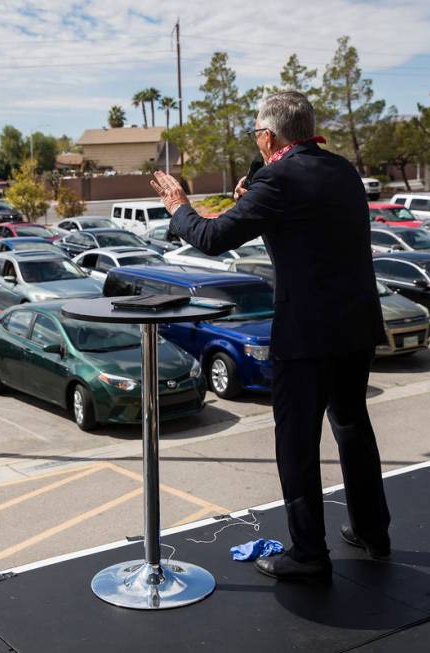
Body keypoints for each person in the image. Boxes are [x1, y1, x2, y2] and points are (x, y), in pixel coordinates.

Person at [149, 91, 391, 581]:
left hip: (307, 334)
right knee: (352, 428)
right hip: (357, 325)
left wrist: (178, 206)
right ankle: (373, 531)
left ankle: (308, 554)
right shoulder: (341, 170)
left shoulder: (276, 179)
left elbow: (212, 238)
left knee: (296, 443)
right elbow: (311, 231)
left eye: (256, 134)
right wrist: (256, 200)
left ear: (267, 135)